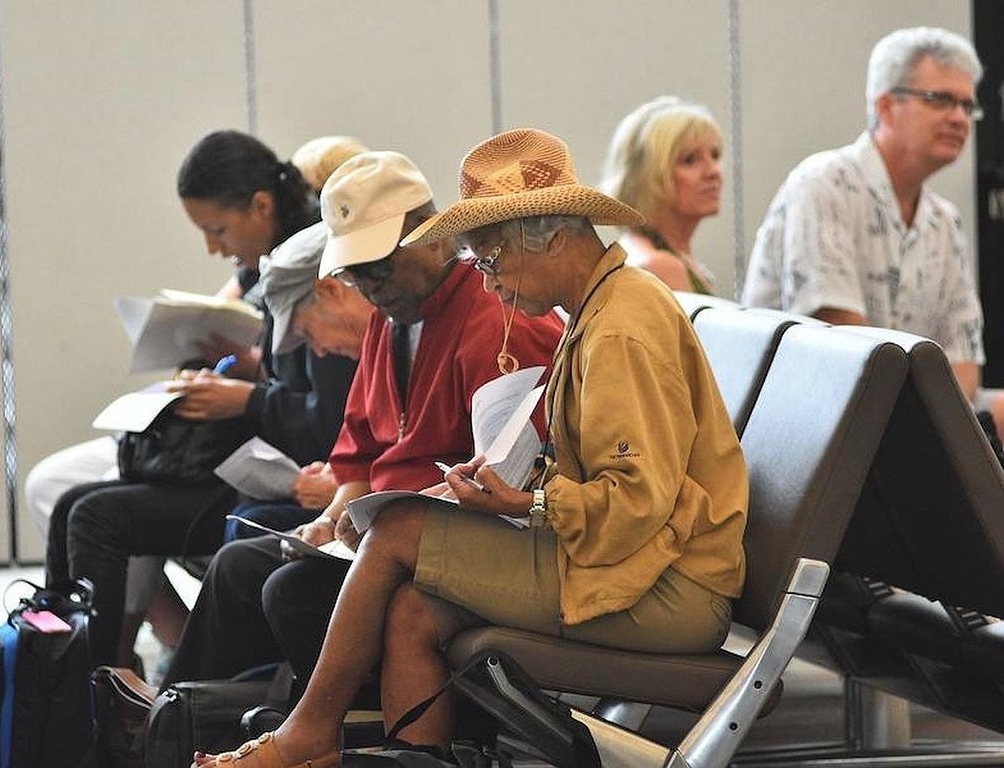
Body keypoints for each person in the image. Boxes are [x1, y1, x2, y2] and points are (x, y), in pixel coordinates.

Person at [194, 128, 748, 768]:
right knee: (413, 609)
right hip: (636, 562)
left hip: (666, 586)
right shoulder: (600, 307)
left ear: (550, 236)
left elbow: (636, 501)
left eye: (490, 259)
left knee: (397, 527)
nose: (486, 282)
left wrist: (529, 499)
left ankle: (308, 734)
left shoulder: (620, 326)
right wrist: (511, 492)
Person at [160, 150, 565, 690]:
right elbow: (360, 452)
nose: (372, 286)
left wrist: (383, 521)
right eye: (357, 274)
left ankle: (316, 728)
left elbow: (514, 477)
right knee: (238, 567)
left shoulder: (497, 320)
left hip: (449, 538)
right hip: (387, 531)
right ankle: (184, 715)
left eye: (379, 266)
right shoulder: (395, 316)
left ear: (435, 236)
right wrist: (331, 519)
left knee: (291, 592)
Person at [44, 131, 362, 671]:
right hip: (260, 460)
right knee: (74, 506)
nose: (214, 247)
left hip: (274, 466)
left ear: (262, 205)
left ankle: (101, 696)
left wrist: (246, 400)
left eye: (218, 229)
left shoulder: (322, 279)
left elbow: (330, 423)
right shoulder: (278, 268)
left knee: (96, 515)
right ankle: (60, 695)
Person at [740, 27, 1003, 432]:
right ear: (885, 105)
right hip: (813, 415)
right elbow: (848, 347)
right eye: (940, 99)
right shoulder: (824, 183)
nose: (959, 118)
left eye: (967, 106)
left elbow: (964, 361)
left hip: (910, 411)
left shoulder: (945, 220)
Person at [599, 96, 723, 294]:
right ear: (648, 175)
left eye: (715, 155)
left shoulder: (654, 253)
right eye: (690, 160)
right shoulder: (660, 267)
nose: (713, 171)